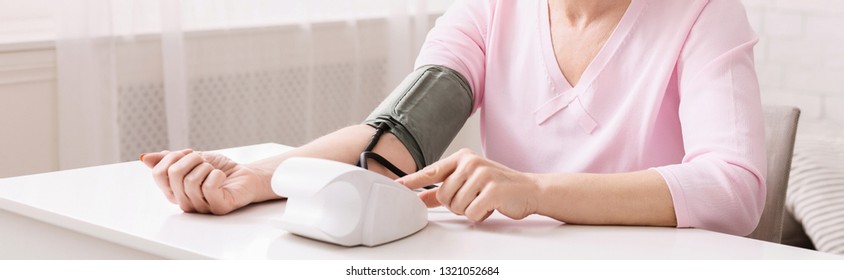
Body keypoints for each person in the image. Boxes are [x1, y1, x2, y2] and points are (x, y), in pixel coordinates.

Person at [140, 0, 766, 236]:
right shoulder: (490, 10)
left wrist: (537, 192)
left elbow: (735, 188)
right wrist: (252, 180)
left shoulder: (704, 12)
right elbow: (395, 141)